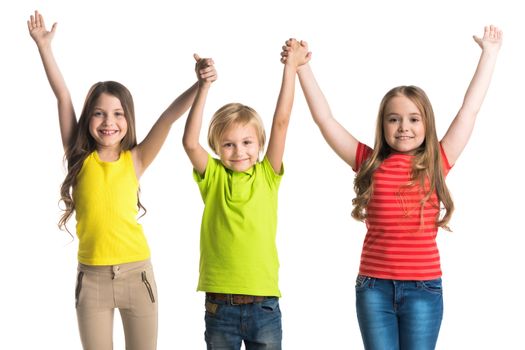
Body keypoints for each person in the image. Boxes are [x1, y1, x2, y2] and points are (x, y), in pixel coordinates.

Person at [281, 26, 502, 349]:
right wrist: (303, 68)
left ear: (427, 124)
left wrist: (490, 54)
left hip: (423, 289)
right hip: (374, 289)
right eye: (393, 119)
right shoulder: (368, 162)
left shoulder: (437, 161)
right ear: (382, 124)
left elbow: (469, 110)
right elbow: (325, 120)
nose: (404, 127)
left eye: (414, 119)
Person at [28, 10, 199, 350]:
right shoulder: (79, 158)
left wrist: (201, 83)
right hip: (91, 280)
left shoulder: (136, 158)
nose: (109, 122)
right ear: (88, 118)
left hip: (138, 277)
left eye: (118, 113)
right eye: (99, 113)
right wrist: (44, 48)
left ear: (128, 119)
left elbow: (168, 117)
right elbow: (63, 96)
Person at [182, 40, 307, 349]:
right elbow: (189, 142)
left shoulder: (267, 175)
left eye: (247, 142)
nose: (239, 151)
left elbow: (282, 121)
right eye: (228, 144)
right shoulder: (213, 177)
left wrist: (290, 68)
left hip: (263, 305)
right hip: (220, 306)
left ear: (259, 144)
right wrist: (203, 86)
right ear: (216, 148)